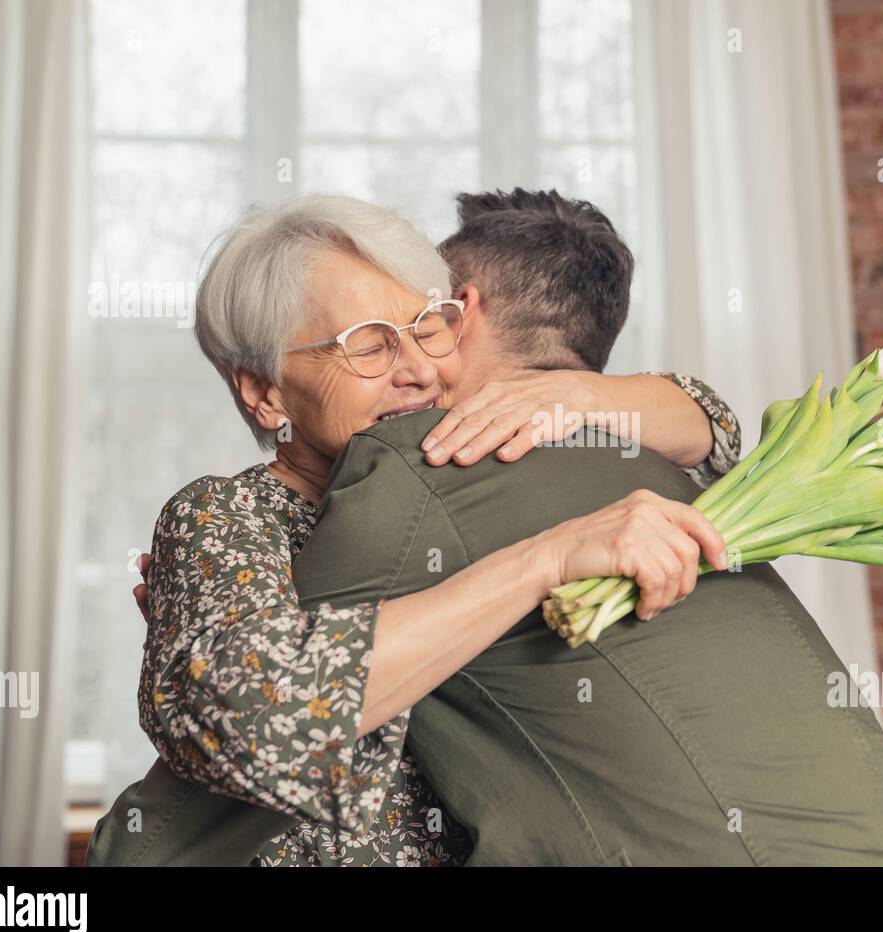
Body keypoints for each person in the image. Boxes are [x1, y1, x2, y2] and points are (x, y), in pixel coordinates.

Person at [87, 192, 740, 866]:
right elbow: (263, 724)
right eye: (367, 343)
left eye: (428, 327)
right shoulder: (226, 517)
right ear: (264, 390)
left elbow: (716, 432)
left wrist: (577, 395)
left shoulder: (469, 466)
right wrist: (541, 563)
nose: (419, 370)